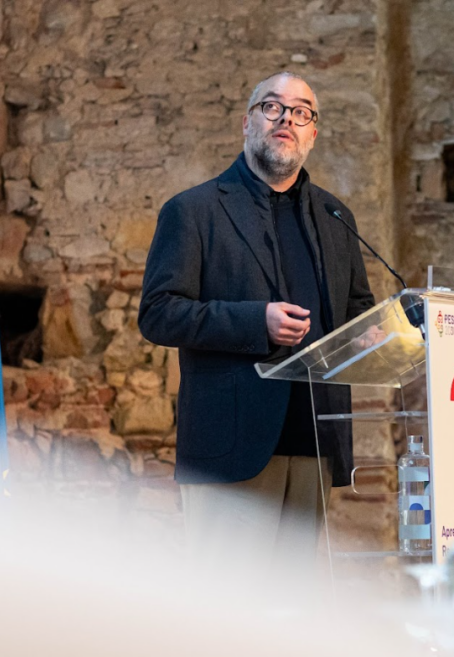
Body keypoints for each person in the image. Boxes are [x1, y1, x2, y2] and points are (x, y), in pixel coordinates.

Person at [138, 72, 375, 575]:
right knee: (229, 611)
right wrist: (256, 322)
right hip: (232, 447)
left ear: (313, 133)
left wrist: (380, 334)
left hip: (315, 440)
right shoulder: (194, 211)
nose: (287, 117)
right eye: (273, 107)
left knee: (290, 616)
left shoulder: (336, 217)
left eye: (302, 111)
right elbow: (159, 313)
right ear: (248, 123)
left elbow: (357, 310)